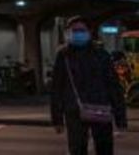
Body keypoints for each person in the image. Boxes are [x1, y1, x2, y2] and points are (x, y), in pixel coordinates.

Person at [50, 17, 126, 155]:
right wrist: (57, 119)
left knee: (104, 148)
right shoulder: (64, 56)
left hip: (100, 108)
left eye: (81, 30)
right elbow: (56, 88)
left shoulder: (101, 54)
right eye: (74, 30)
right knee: (77, 149)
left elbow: (113, 87)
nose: (77, 33)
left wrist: (121, 119)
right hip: (74, 111)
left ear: (90, 31)